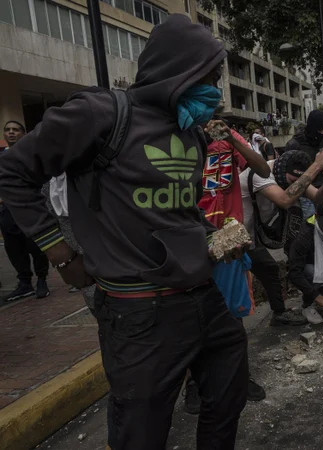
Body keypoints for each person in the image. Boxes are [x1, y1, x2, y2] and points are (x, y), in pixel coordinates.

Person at [0, 15, 250, 449]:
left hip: (203, 296)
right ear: (178, 71)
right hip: (139, 312)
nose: (215, 91)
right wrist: (60, 253)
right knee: (141, 433)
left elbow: (177, 210)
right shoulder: (99, 114)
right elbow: (13, 173)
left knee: (228, 396)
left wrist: (214, 235)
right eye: (207, 78)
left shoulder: (190, 132)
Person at [181, 118, 272, 414]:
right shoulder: (180, 138)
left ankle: (239, 376)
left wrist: (232, 140)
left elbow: (262, 169)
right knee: (194, 316)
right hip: (192, 237)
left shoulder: (226, 138)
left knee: (233, 312)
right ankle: (195, 384)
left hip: (228, 236)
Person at [240, 149, 323, 325]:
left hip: (254, 237)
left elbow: (318, 197)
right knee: (238, 285)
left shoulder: (292, 175)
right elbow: (285, 199)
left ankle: (279, 314)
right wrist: (316, 166)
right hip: (239, 237)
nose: (295, 183)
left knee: (270, 270)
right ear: (280, 171)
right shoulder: (260, 173)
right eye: (292, 180)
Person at [1, 120, 50, 301]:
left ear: (23, 133)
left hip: (31, 209)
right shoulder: (2, 156)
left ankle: (42, 280)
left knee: (36, 247)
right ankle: (24, 283)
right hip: (8, 211)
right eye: (8, 130)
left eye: (15, 130)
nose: (11, 133)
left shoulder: (31, 155)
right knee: (14, 248)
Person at [285, 110, 323, 220]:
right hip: (304, 195)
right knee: (309, 226)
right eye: (319, 130)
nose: (322, 133)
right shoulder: (294, 144)